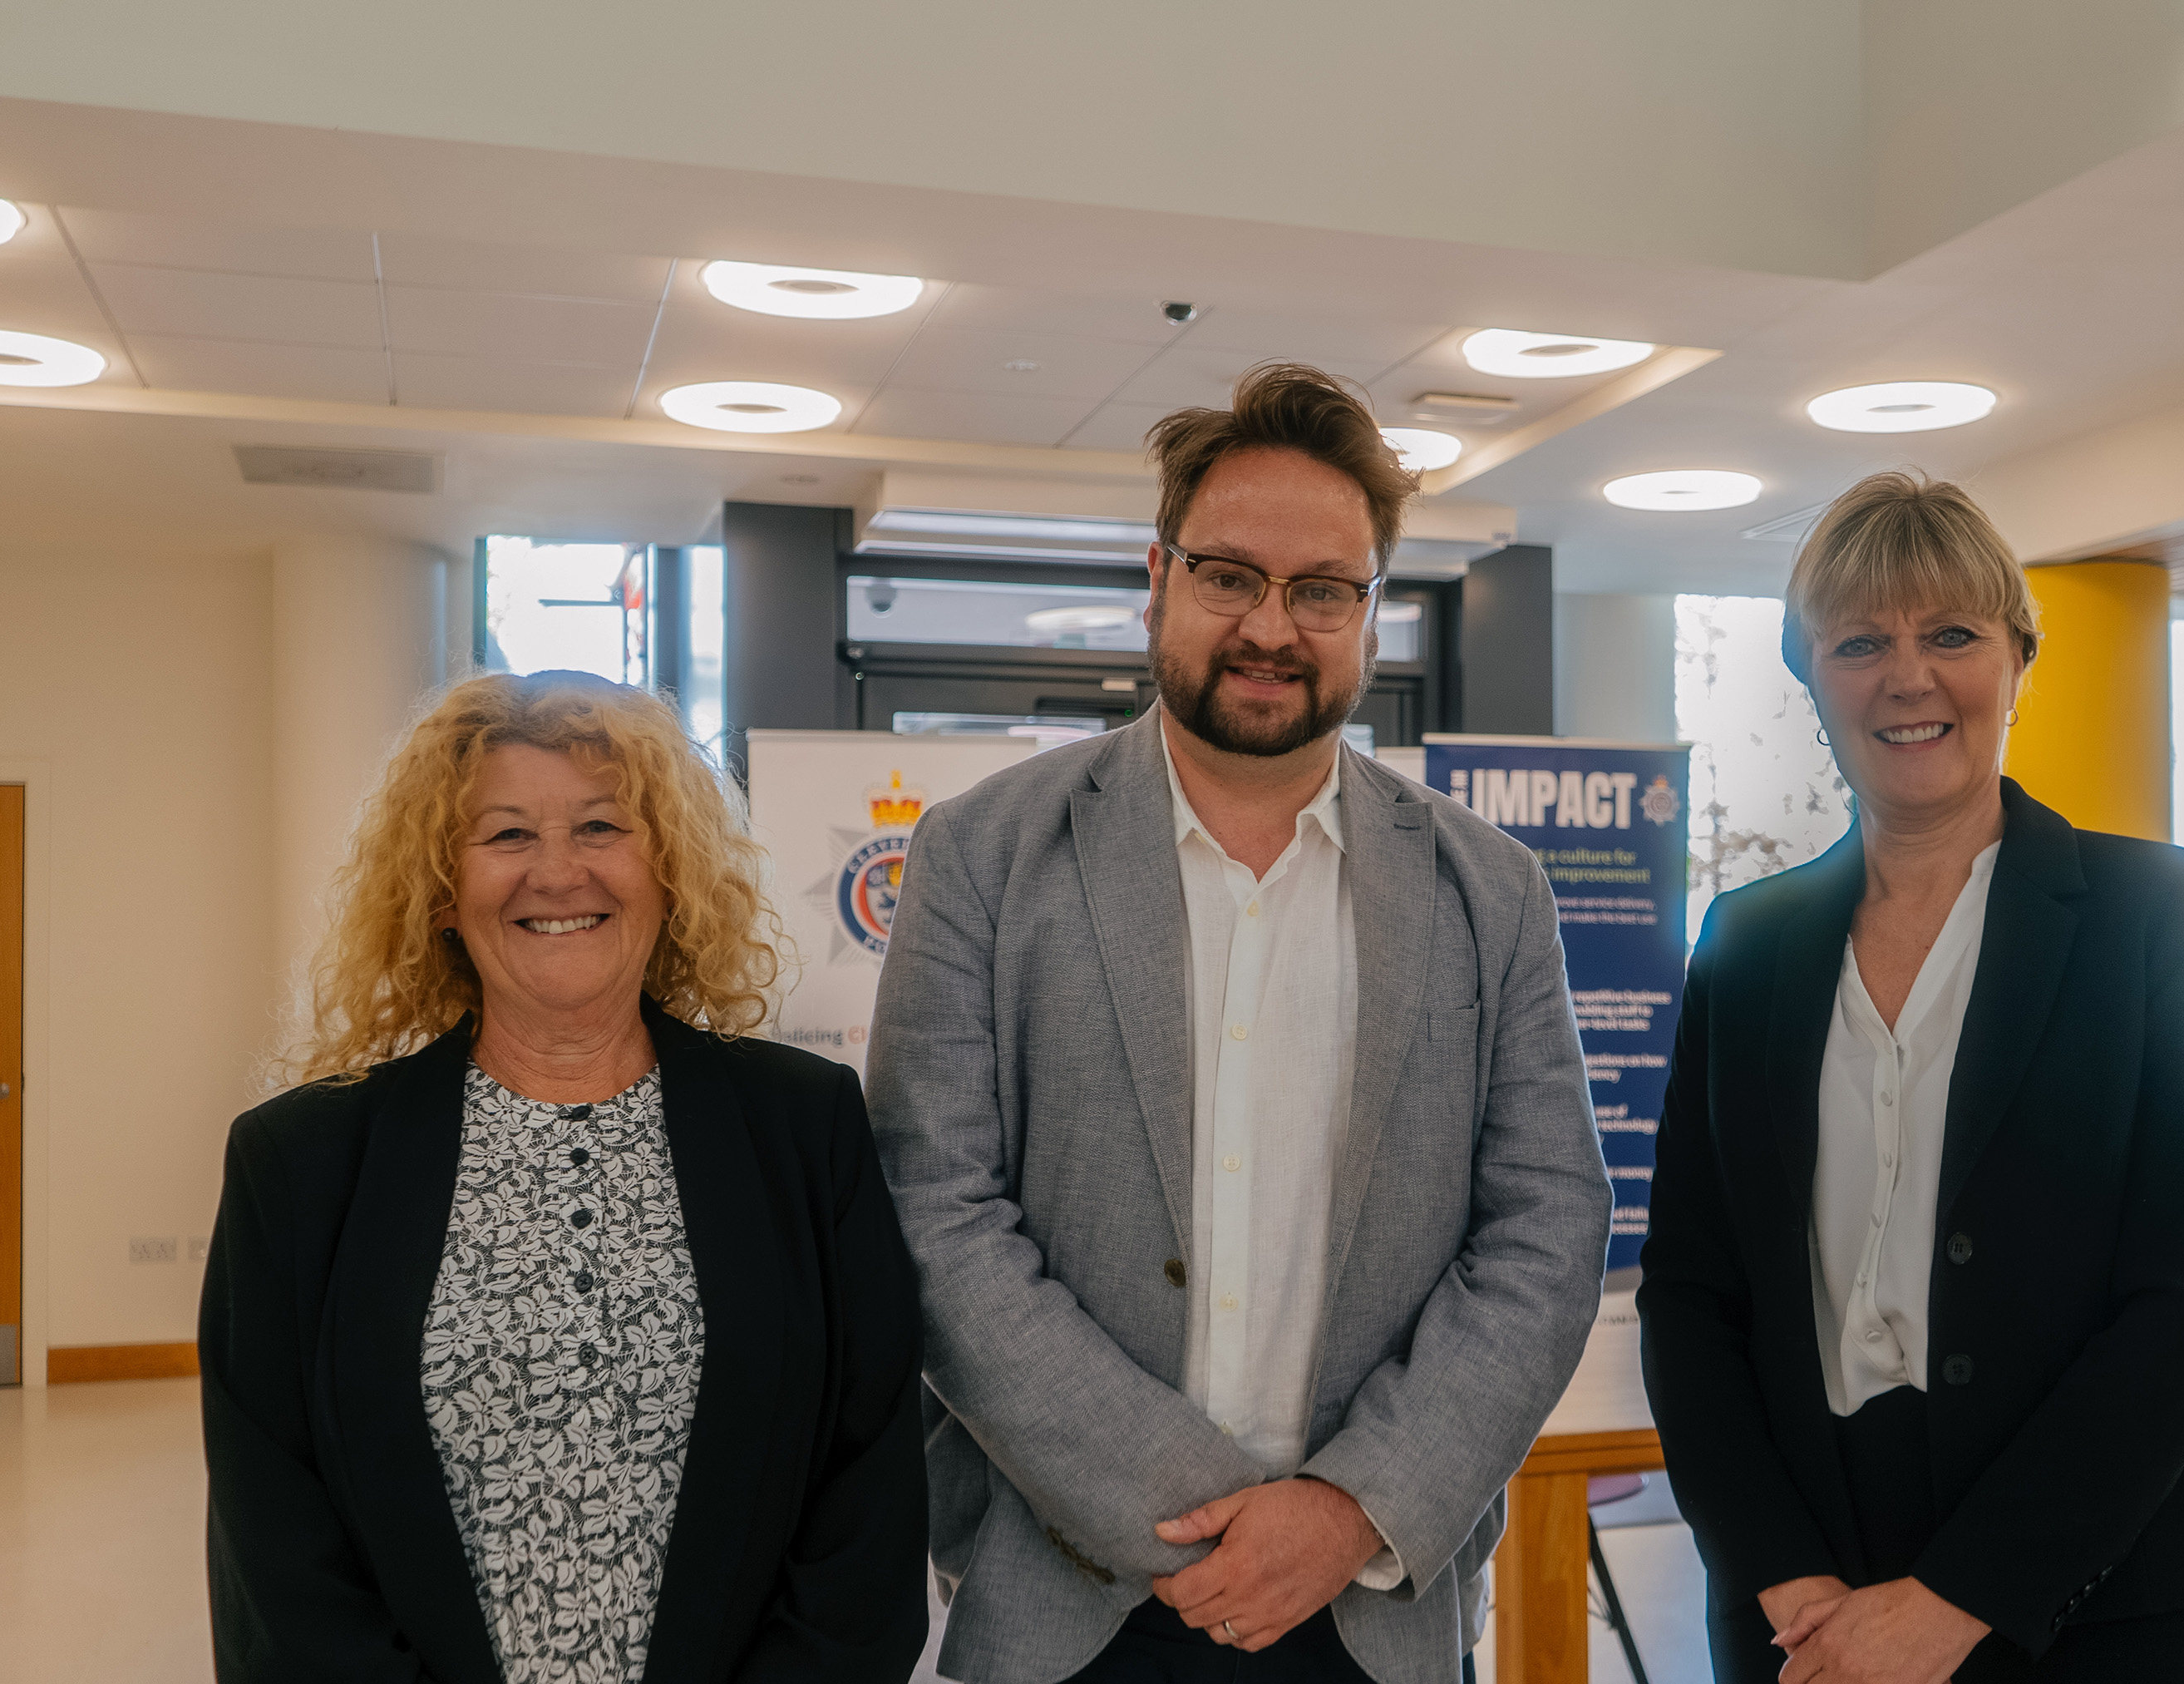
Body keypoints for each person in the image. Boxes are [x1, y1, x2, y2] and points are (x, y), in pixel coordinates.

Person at [868, 362, 1613, 1684]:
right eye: (1230, 576)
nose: (1273, 624)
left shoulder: (1489, 892)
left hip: (1372, 1599)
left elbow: (1547, 1227)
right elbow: (934, 1212)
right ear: (1158, 578)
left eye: (1322, 589)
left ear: (1370, 613)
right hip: (1072, 1597)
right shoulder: (984, 856)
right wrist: (1196, 1511)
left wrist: (1345, 1510)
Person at [1638, 472, 2184, 1682]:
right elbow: (1691, 1293)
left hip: (2102, 1598)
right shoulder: (1745, 942)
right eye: (1860, 643)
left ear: (2020, 658)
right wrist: (1779, 1571)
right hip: (1806, 1606)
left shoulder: (2163, 915)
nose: (1907, 677)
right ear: (1810, 675)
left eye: (1951, 635)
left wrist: (1953, 1602)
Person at [199, 670, 926, 1684]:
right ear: (441, 890)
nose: (557, 872)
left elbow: (869, 1494)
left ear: (668, 869)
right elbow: (274, 1550)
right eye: (506, 835)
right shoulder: (300, 1165)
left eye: (600, 827)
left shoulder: (805, 1130)